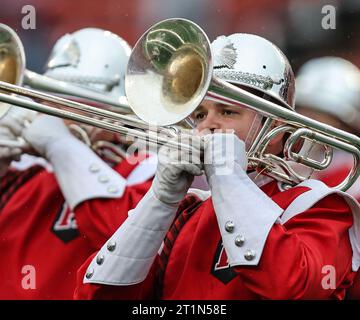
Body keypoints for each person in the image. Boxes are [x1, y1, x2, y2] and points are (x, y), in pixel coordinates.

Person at [74, 33, 360, 300]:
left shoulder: (321, 206)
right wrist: (160, 201)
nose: (208, 124)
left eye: (227, 111)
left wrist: (228, 175)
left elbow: (292, 285)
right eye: (199, 114)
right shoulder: (185, 212)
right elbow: (95, 294)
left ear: (276, 125)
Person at [0, 28, 156, 299]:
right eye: (52, 100)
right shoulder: (26, 169)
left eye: (75, 103)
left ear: (119, 109)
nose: (58, 114)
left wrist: (62, 147)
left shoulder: (147, 169)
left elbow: (131, 248)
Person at [296, 57, 360, 299]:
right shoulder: (287, 159)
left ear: (346, 124)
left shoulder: (352, 180)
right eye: (305, 110)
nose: (311, 121)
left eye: (322, 114)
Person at [295, 56, 360, 194]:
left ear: (344, 126)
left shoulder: (351, 180)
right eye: (303, 109)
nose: (308, 120)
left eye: (319, 114)